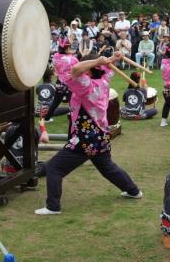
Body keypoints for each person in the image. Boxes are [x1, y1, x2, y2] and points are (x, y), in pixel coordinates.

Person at [35, 52, 142, 215]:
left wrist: (98, 61)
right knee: (107, 167)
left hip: (85, 139)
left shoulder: (86, 85)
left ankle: (53, 207)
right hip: (101, 135)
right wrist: (112, 59)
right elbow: (106, 68)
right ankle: (133, 191)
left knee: (54, 168)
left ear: (90, 69)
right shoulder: (104, 80)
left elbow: (76, 69)